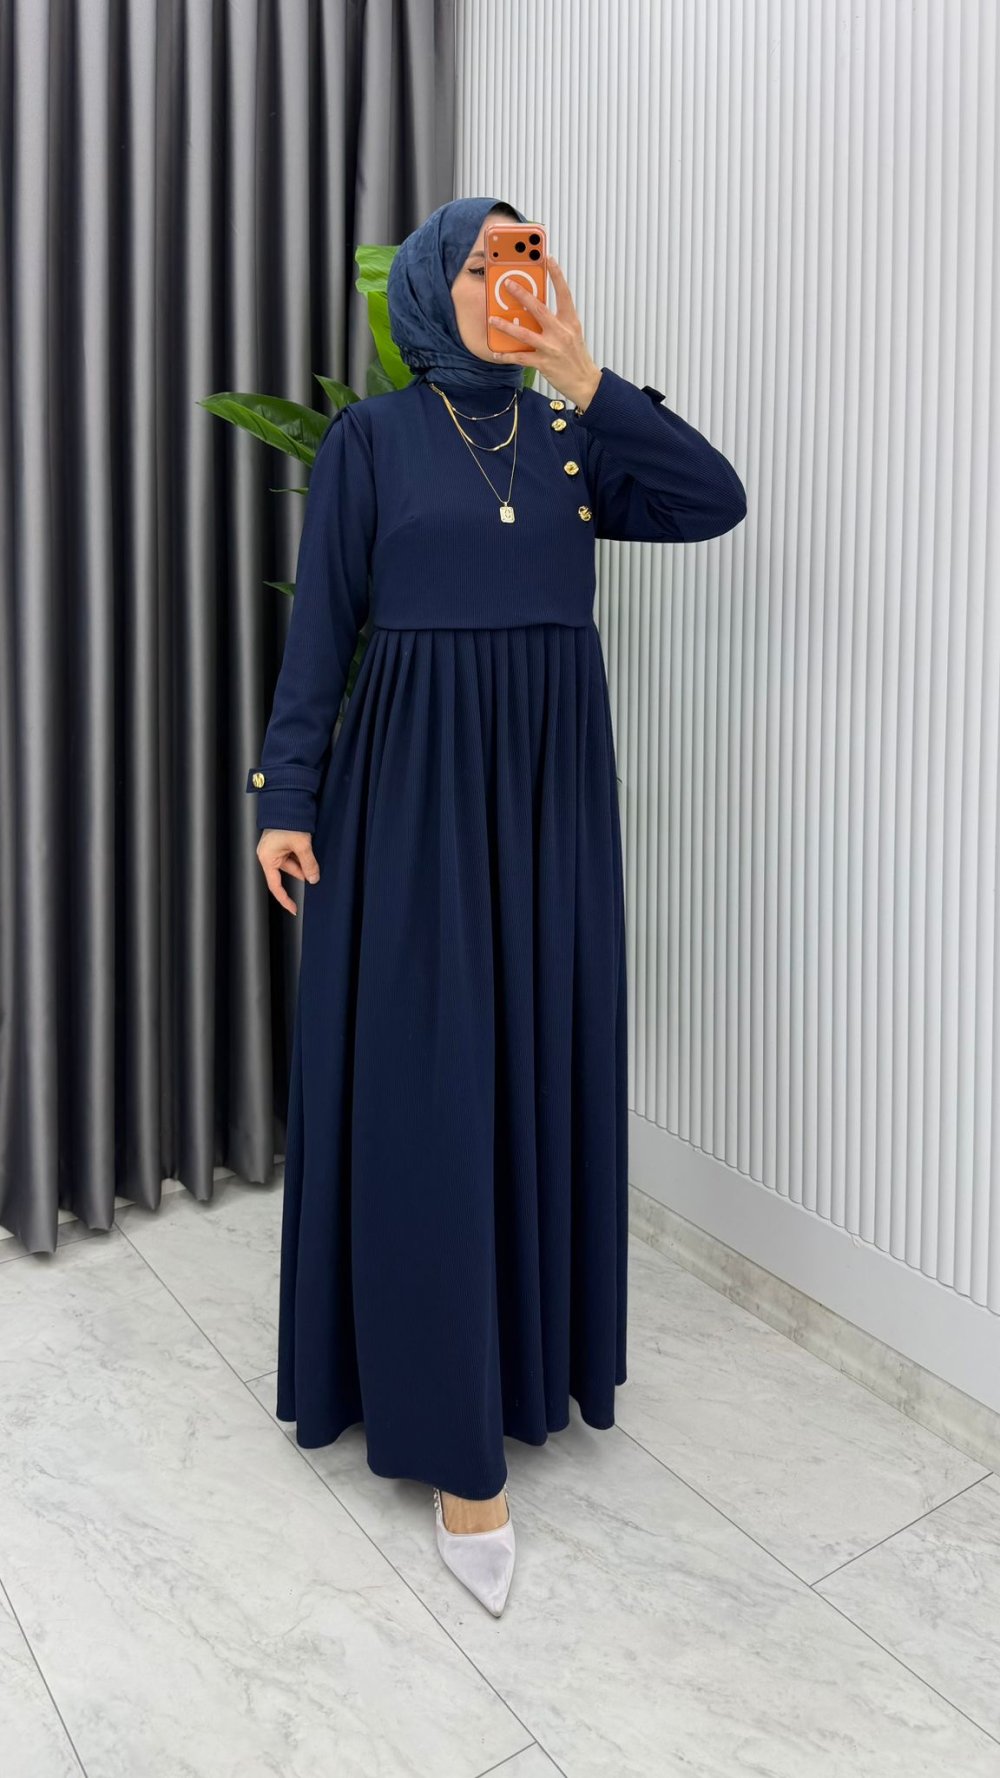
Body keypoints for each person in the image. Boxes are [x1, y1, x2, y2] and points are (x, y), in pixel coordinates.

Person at [246, 196, 747, 1616]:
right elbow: (323, 627)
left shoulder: (579, 434)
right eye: (479, 263)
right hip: (408, 795)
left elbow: (713, 501)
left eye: (525, 257)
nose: (503, 282)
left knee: (537, 1061)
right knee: (431, 1085)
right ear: (429, 287)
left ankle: (525, 1369)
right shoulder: (372, 441)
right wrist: (288, 797)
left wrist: (591, 376)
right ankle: (449, 1435)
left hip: (548, 799)